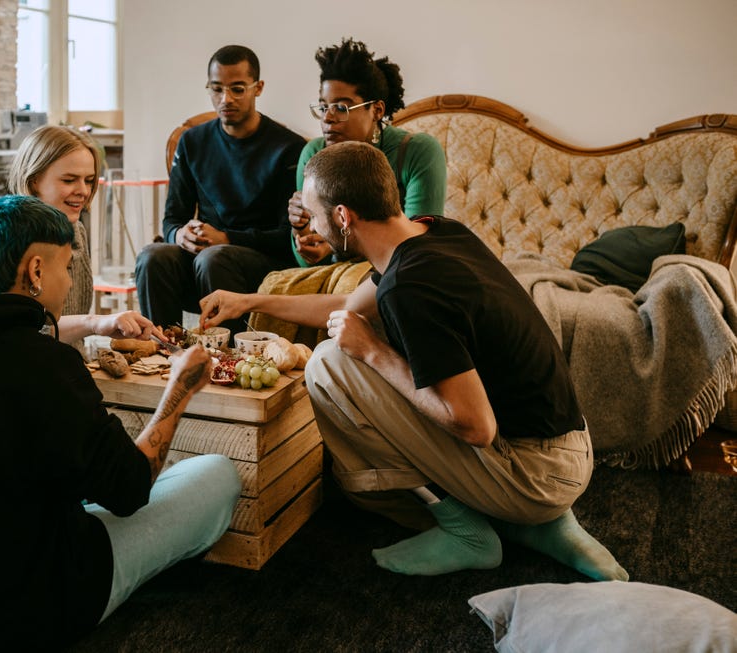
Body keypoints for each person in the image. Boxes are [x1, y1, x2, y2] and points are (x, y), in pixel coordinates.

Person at [202, 142, 628, 581]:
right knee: (356, 339)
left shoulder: (410, 287)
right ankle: (544, 526)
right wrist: (249, 300)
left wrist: (372, 351)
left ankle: (466, 529)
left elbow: (476, 426)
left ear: (343, 217)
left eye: (313, 215)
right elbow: (349, 304)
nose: (310, 226)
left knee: (329, 365)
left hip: (539, 476)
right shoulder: (434, 231)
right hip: (569, 450)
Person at [0, 195, 242, 650]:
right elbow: (130, 489)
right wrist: (180, 390)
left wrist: (97, 323)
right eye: (67, 267)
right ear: (36, 271)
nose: (68, 278)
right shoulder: (45, 367)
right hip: (14, 617)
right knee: (217, 475)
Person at [0, 124, 159, 352]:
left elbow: (60, 333)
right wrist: (94, 323)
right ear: (34, 180)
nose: (83, 190)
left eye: (89, 180)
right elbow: (5, 336)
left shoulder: (76, 232)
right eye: (69, 180)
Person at [134, 44, 306, 333]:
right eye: (216, 89)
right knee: (153, 256)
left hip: (260, 263)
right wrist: (181, 235)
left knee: (214, 257)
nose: (225, 99)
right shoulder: (192, 143)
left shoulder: (288, 148)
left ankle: (231, 359)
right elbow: (172, 219)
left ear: (258, 88)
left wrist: (225, 237)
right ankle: (163, 350)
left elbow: (286, 237)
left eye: (237, 89)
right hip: (205, 258)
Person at [289, 37, 446, 267]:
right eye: (323, 107)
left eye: (341, 107)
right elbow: (307, 267)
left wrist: (337, 246)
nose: (328, 118)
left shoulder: (417, 151)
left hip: (399, 273)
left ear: (377, 110)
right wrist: (302, 230)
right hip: (333, 278)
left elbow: (417, 249)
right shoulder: (313, 155)